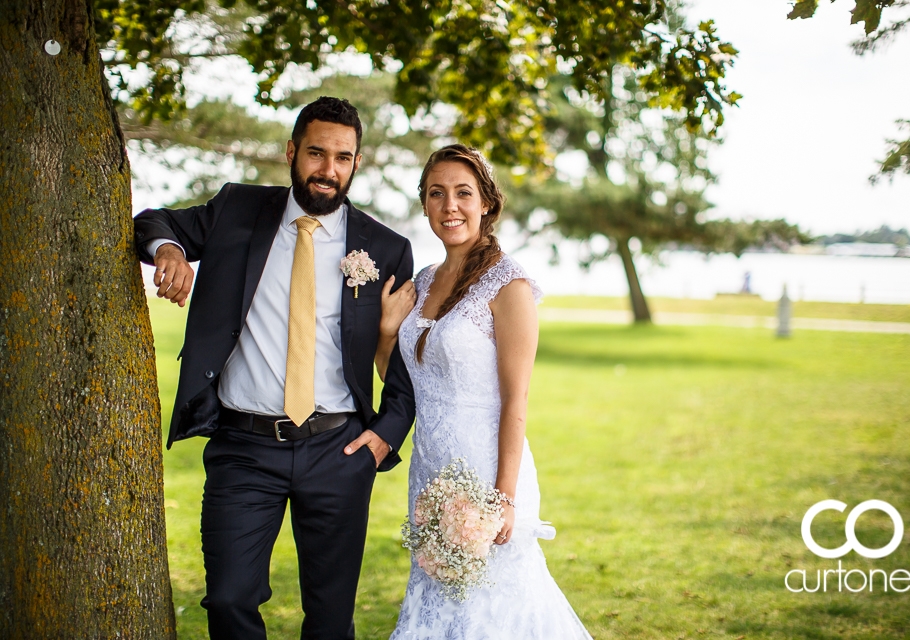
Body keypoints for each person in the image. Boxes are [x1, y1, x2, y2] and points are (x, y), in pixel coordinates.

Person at [133, 96, 417, 640]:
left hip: (339, 450)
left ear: (356, 163)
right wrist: (170, 251)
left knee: (331, 620)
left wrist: (383, 436)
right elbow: (155, 219)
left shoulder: (386, 248)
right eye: (316, 153)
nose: (327, 170)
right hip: (244, 449)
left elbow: (403, 368)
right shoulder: (238, 210)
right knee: (229, 600)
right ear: (292, 152)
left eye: (342, 157)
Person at [379, 144, 592, 638]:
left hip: (486, 474)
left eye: (463, 193)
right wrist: (388, 331)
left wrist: (506, 497)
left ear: (486, 204)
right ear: (425, 204)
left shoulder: (509, 285)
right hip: (430, 472)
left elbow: (517, 400)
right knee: (437, 605)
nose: (449, 206)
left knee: (495, 609)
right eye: (437, 194)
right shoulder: (424, 281)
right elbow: (405, 381)